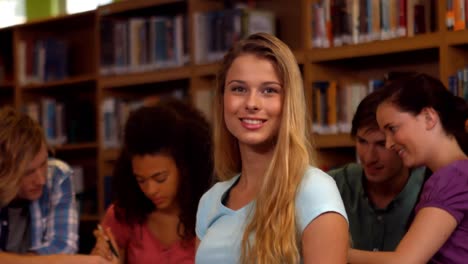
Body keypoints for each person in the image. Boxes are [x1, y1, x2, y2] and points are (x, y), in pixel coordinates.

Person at [195, 32, 349, 264]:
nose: (251, 104)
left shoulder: (314, 189)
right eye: (238, 89)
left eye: (269, 91)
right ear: (222, 98)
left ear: (289, 101)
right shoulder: (210, 201)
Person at [348, 73, 468, 263]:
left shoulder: (452, 177)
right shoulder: (455, 175)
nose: (389, 144)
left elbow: (404, 261)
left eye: (392, 129)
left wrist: (332, 248)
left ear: (429, 117)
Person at [91, 99, 213, 264]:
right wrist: (100, 258)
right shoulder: (124, 214)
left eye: (160, 178)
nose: (150, 190)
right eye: (140, 180)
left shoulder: (213, 213)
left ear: (186, 169)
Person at [0, 106, 113, 264]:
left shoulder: (57, 176)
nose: (41, 179)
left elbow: (63, 247)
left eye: (43, 163)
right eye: (28, 172)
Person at [328, 90, 426, 251]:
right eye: (362, 141)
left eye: (381, 144)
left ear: (403, 143)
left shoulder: (430, 188)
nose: (369, 157)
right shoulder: (334, 185)